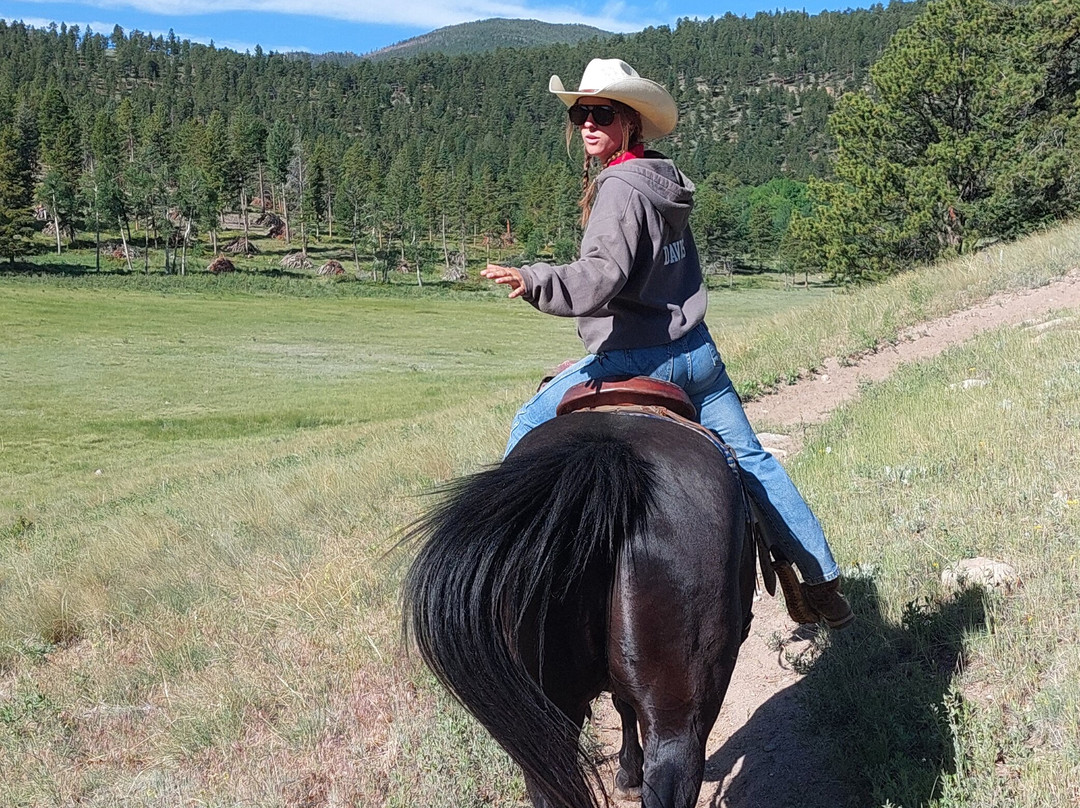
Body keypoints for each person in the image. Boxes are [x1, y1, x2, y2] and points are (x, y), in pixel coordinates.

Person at [481, 58, 852, 629]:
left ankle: (498, 569)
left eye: (600, 113)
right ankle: (821, 580)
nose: (586, 123)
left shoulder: (619, 190)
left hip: (641, 359)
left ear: (630, 121)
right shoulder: (662, 180)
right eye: (581, 113)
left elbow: (601, 273)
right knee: (753, 462)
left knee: (528, 425)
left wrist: (534, 280)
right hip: (697, 356)